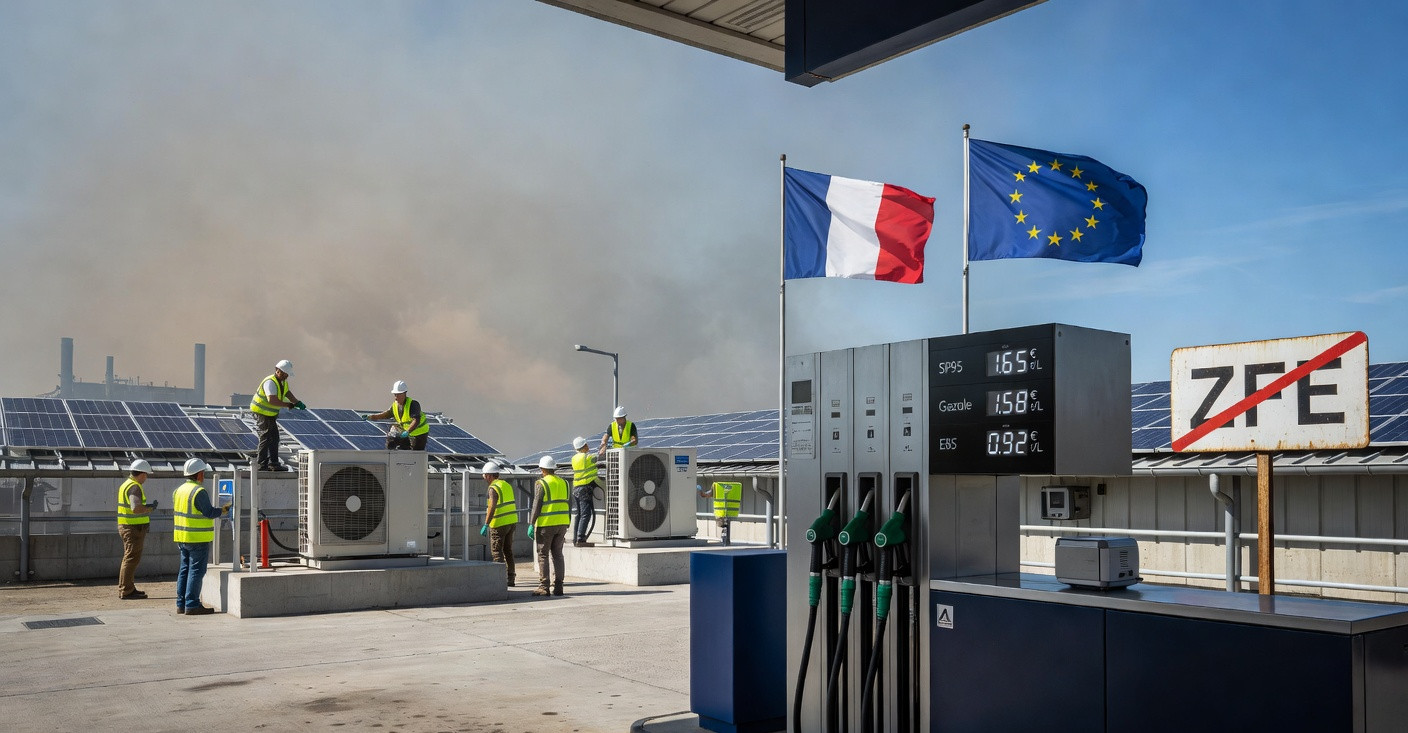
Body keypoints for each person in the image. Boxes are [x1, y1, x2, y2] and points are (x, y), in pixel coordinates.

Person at [172, 458, 229, 615]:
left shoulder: (179, 491)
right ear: (199, 474)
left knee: (184, 570)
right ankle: (192, 604)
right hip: (197, 539)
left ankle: (181, 603)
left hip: (182, 537)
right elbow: (209, 512)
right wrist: (223, 510)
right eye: (203, 472)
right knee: (196, 571)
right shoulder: (198, 491)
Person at [249, 359, 305, 471]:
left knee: (274, 438)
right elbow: (272, 400)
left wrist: (296, 402)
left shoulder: (283, 382)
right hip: (261, 412)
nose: (286, 376)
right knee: (266, 436)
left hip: (270, 414)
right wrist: (287, 405)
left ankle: (273, 464)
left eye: (287, 374)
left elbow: (287, 392)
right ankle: (262, 465)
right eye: (284, 374)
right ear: (278, 371)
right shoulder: (270, 382)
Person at [528, 455, 571, 596]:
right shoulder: (564, 483)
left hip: (546, 525)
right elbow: (568, 503)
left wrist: (531, 523)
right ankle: (559, 586)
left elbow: (536, 504)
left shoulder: (542, 483)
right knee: (558, 555)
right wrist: (567, 521)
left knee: (543, 554)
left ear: (542, 469)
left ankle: (544, 586)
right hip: (563, 524)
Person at [116, 459, 156, 600]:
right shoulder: (135, 487)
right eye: (146, 474)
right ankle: (126, 590)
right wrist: (149, 508)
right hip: (133, 529)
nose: (146, 478)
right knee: (131, 558)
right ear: (142, 474)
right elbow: (135, 508)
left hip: (128, 526)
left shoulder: (126, 485)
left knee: (129, 558)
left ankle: (127, 588)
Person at [479, 461, 517, 587]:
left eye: (484, 475)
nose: (483, 478)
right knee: (508, 551)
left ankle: (500, 580)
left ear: (489, 475)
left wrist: (486, 523)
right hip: (511, 523)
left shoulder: (493, 488)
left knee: (497, 552)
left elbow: (492, 506)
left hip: (498, 524)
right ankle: (511, 579)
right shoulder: (506, 485)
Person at [363, 380, 429, 450]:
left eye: (398, 394)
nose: (396, 397)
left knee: (416, 453)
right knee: (393, 436)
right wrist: (371, 417)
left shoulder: (413, 404)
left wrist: (408, 431)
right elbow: (386, 414)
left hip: (420, 434)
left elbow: (416, 420)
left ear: (404, 393)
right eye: (395, 394)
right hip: (406, 432)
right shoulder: (395, 405)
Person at [569, 436, 599, 547]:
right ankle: (581, 538)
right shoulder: (587, 458)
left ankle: (575, 538)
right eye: (587, 445)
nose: (588, 446)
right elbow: (599, 457)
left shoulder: (574, 458)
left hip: (576, 487)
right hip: (585, 488)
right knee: (586, 514)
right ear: (584, 446)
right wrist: (604, 449)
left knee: (579, 514)